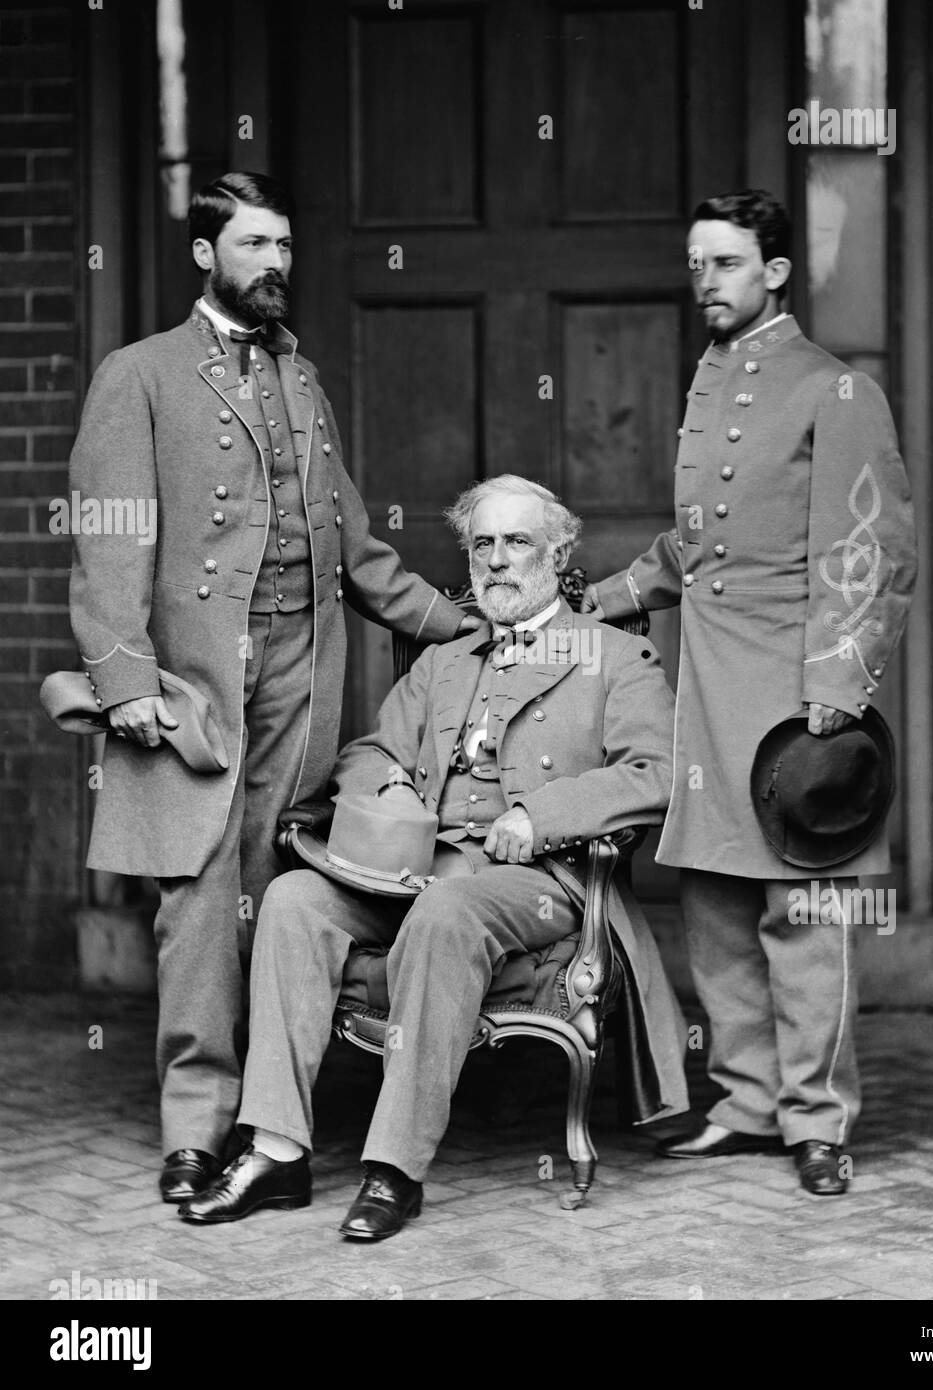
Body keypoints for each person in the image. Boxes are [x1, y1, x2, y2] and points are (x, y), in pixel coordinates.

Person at [66, 171, 476, 1202]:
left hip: (303, 671)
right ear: (205, 255)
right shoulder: (142, 374)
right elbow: (110, 537)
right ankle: (194, 1128)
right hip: (199, 677)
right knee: (200, 899)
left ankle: (271, 1124)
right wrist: (122, 678)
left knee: (280, 890)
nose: (276, 264)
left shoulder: (301, 381)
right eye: (255, 245)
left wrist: (461, 621)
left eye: (284, 246)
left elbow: (355, 548)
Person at [179, 475, 688, 1238]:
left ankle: (392, 1169)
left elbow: (654, 773)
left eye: (518, 542)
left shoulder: (614, 657)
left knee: (449, 910)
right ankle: (277, 1149)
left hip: (540, 883)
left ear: (558, 553)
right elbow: (372, 748)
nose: (498, 561)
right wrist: (382, 777)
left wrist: (540, 815)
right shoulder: (443, 663)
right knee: (291, 902)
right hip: (415, 871)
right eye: (483, 544)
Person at [582, 189, 918, 1195]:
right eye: (696, 263)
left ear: (774, 272)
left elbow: (873, 546)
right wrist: (609, 594)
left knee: (804, 912)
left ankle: (819, 1118)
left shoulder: (834, 389)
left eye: (723, 263)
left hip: (795, 693)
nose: (704, 283)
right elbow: (699, 546)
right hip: (712, 685)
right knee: (718, 903)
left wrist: (840, 684)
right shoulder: (712, 376)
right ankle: (745, 1102)